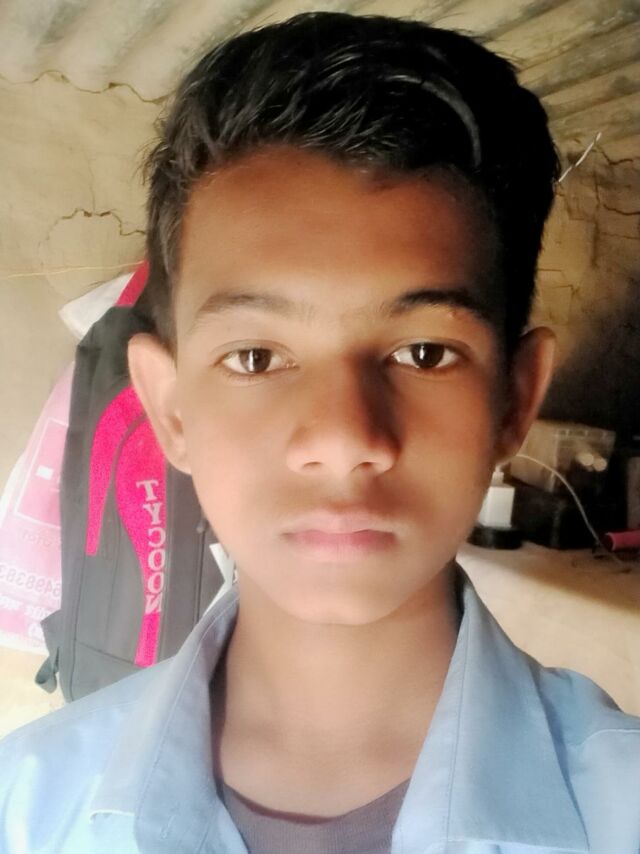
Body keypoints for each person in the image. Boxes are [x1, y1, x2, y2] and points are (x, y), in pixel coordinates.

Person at [1, 11, 638, 854]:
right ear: (171, 409)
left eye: (423, 352)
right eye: (256, 357)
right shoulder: (26, 807)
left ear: (515, 400)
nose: (343, 437)